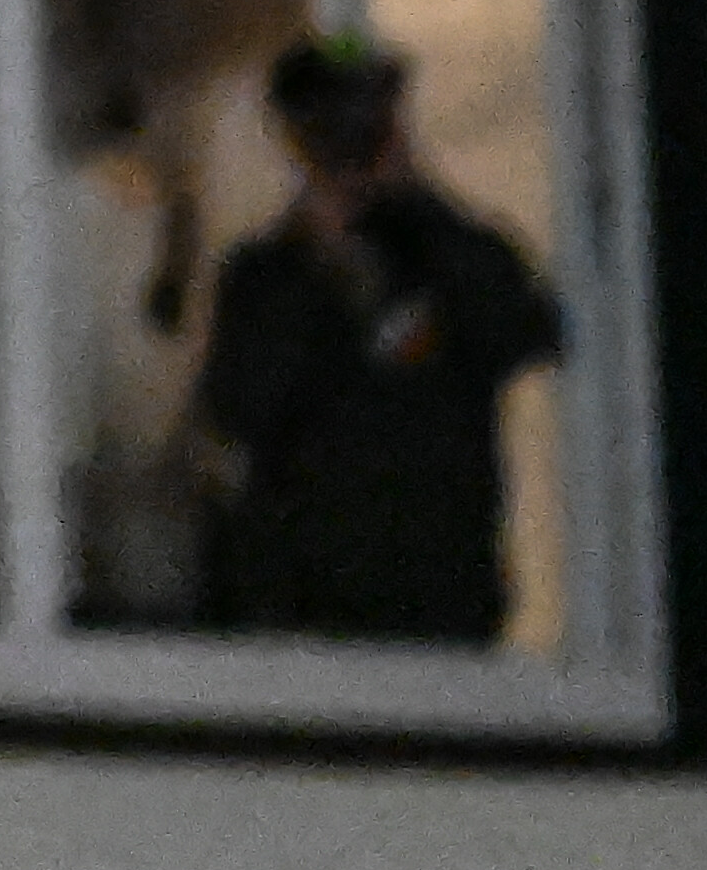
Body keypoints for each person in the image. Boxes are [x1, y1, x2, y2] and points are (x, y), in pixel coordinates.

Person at [192, 31, 572, 640]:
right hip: (308, 603)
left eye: (369, 118)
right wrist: (318, 248)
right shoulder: (265, 274)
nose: (352, 144)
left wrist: (422, 199)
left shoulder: (448, 253)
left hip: (442, 593)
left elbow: (532, 334)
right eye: (330, 126)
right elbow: (236, 408)